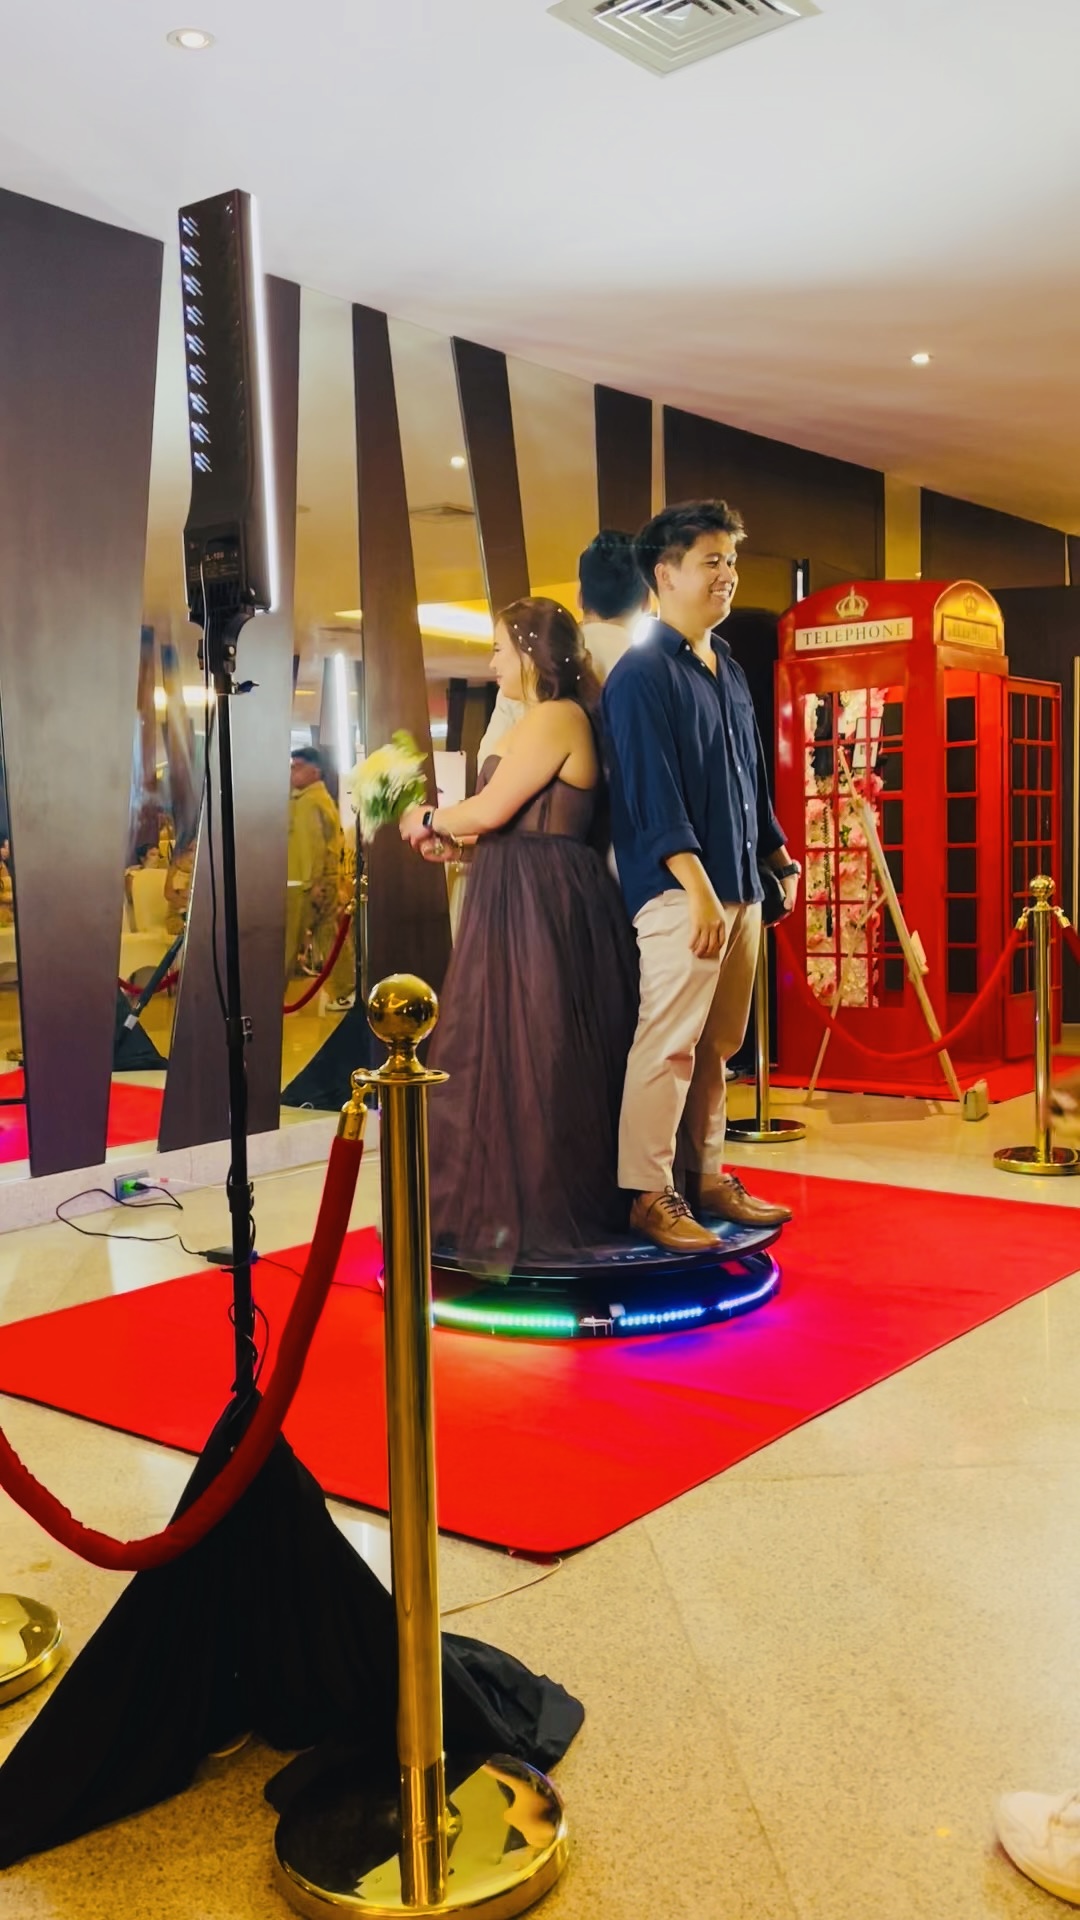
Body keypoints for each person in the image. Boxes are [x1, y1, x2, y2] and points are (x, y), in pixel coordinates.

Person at [400, 596, 638, 1269]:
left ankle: (537, 1205)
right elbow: (509, 823)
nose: (492, 662)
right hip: (519, 888)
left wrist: (425, 817)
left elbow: (493, 808)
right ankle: (509, 1202)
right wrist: (459, 846)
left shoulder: (555, 717)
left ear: (532, 653)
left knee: (539, 1048)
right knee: (507, 1048)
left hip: (542, 899)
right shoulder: (544, 719)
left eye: (500, 648)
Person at [602, 499, 801, 1254]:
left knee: (719, 1045)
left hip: (738, 889)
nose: (728, 574)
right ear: (665, 573)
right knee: (669, 1044)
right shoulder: (640, 673)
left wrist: (777, 857)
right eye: (711, 561)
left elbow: (748, 777)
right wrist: (699, 889)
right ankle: (649, 1193)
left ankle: (707, 1176)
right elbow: (651, 794)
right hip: (681, 895)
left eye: (731, 560)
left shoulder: (729, 668)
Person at [475, 530, 649, 767]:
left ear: (579, 597)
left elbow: (488, 762)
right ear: (647, 601)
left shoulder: (534, 661)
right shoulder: (658, 672)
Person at [286, 747, 355, 1009]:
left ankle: (268, 1000)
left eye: (298, 766)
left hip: (306, 884)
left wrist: (314, 883)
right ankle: (344, 990)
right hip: (314, 881)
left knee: (289, 943)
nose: (292, 772)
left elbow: (313, 846)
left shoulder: (311, 801)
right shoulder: (313, 798)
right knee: (328, 935)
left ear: (315, 771)